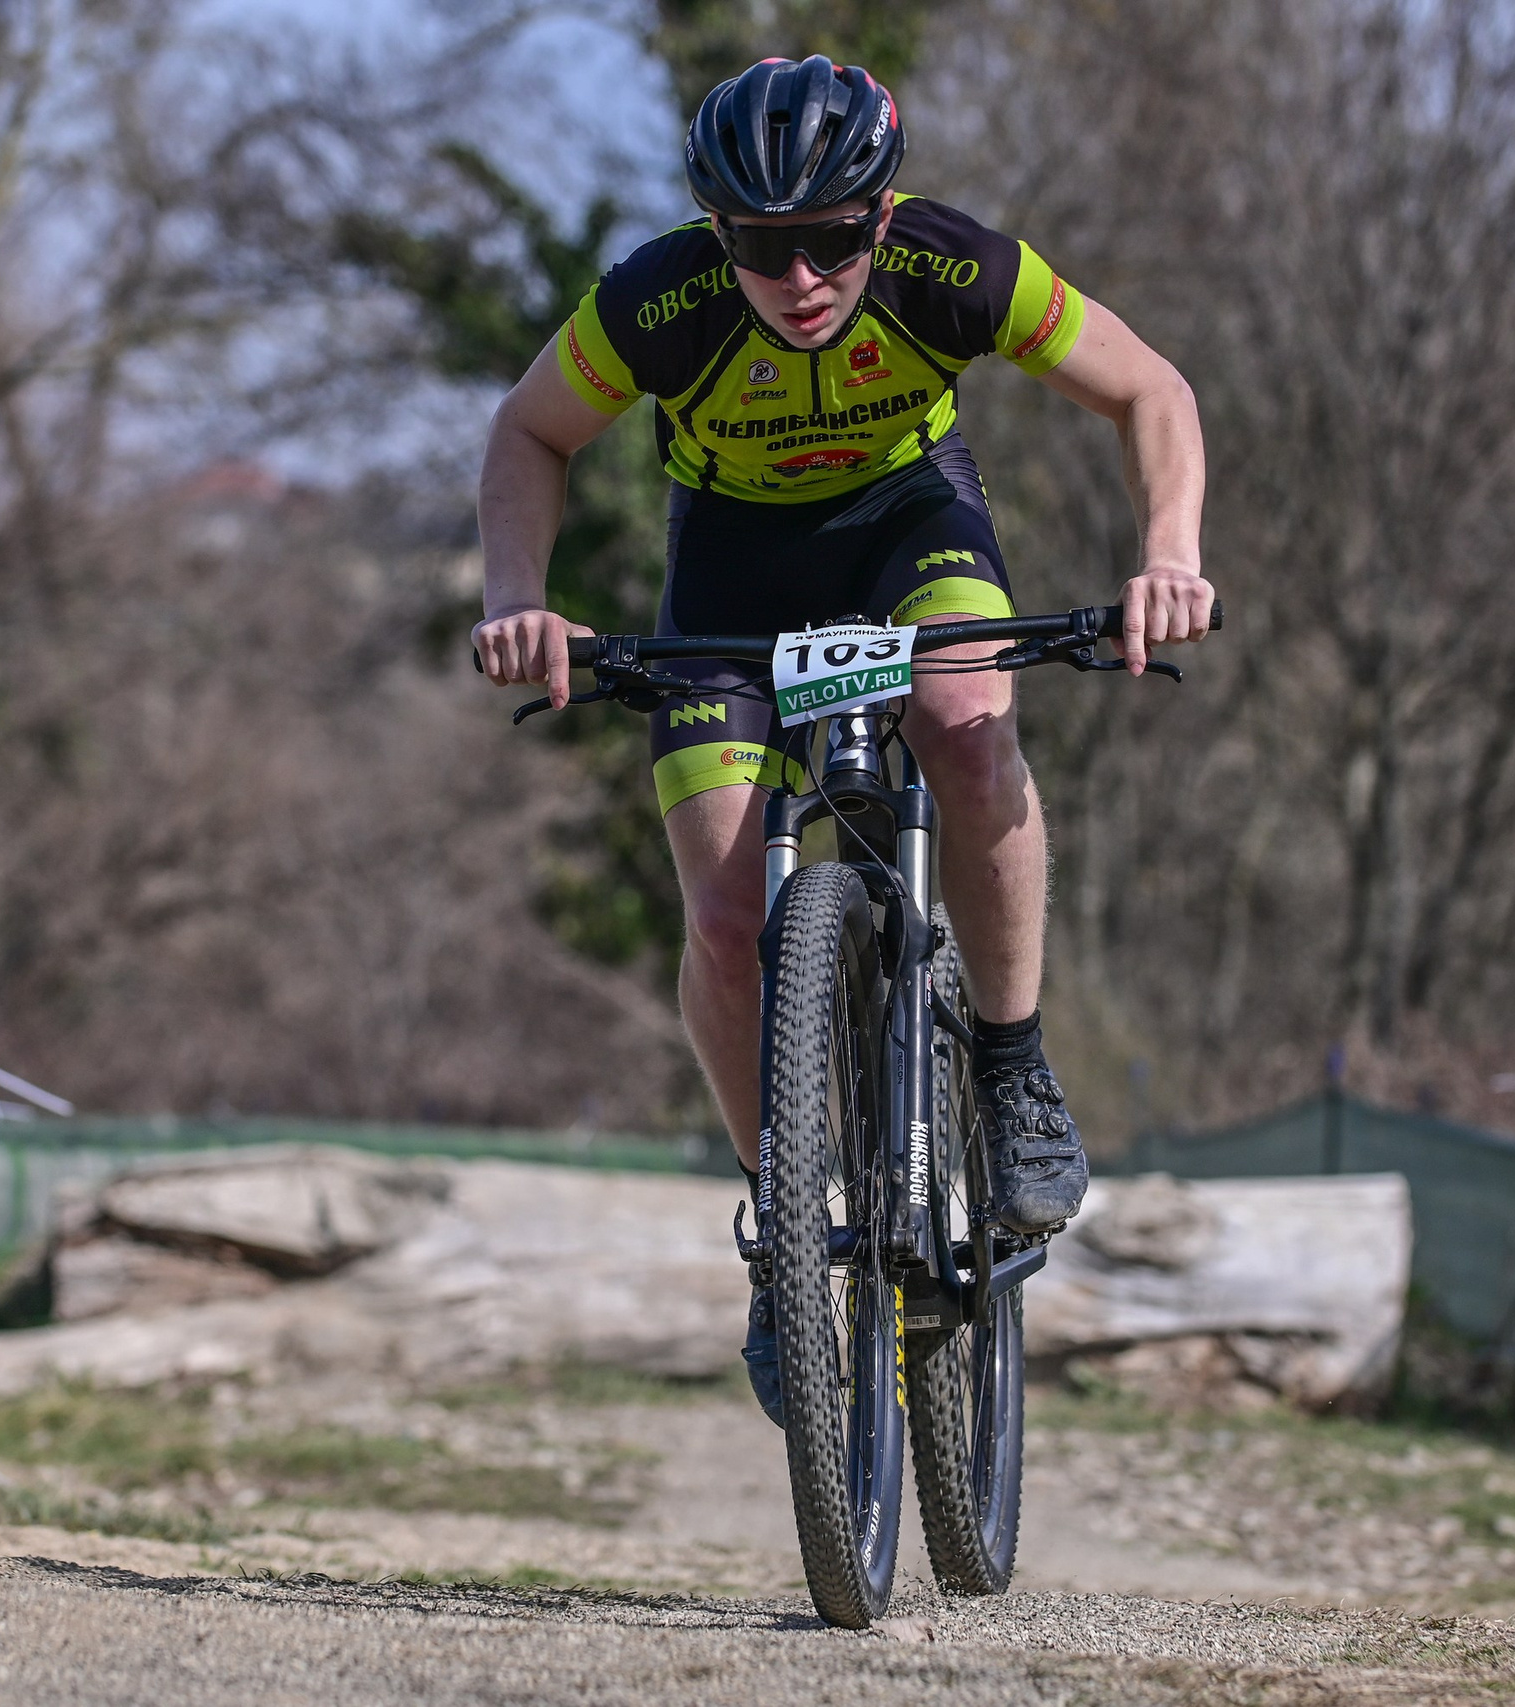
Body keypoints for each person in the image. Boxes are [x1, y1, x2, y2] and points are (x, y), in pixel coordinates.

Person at [474, 56, 1212, 1426]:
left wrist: (1168, 556)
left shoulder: (955, 270)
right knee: (725, 918)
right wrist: (517, 597)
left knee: (969, 731)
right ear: (719, 236)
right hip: (730, 575)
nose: (801, 279)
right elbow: (530, 431)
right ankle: (785, 1228)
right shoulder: (662, 302)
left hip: (907, 532)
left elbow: (1149, 389)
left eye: (831, 241)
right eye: (763, 247)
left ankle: (1010, 1061)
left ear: (882, 218)